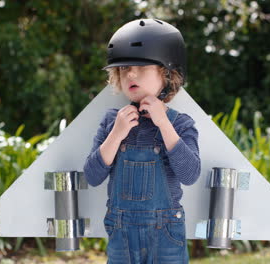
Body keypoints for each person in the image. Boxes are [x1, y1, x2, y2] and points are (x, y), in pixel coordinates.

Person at [84, 18, 201, 264]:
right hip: (121, 232)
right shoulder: (111, 121)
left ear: (168, 74)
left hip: (166, 233)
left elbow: (190, 174)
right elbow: (92, 176)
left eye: (141, 66)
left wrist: (163, 123)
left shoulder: (181, 124)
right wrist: (116, 134)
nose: (131, 74)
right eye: (124, 68)